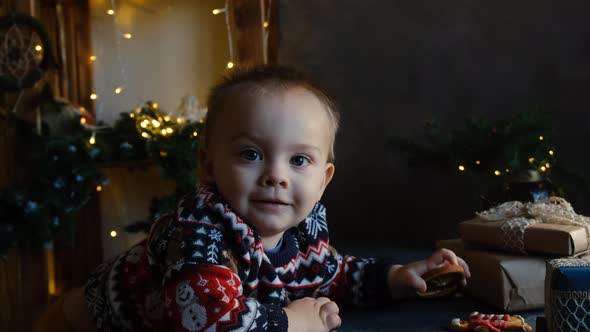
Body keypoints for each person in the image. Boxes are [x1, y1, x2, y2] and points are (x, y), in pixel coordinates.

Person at [35, 64, 470, 332]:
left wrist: (395, 277)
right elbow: (205, 321)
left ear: (324, 179)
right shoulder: (199, 231)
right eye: (251, 154)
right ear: (209, 166)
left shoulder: (303, 232)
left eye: (300, 160)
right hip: (80, 323)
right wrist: (292, 323)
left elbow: (328, 276)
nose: (276, 176)